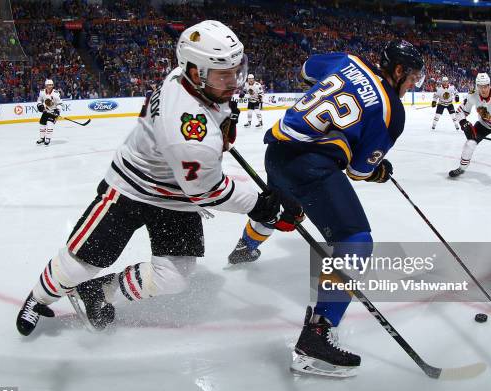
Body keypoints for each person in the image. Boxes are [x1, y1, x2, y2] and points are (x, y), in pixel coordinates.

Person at [16, 20, 302, 336]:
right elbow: (208, 191)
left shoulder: (186, 78)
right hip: (132, 188)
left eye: (236, 69)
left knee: (175, 275)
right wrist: (264, 206)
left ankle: (97, 292)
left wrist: (222, 128)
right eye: (225, 73)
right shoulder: (187, 128)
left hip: (176, 193)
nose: (235, 80)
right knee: (83, 260)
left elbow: (208, 147)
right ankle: (38, 297)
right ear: (196, 72)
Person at [228, 40, 424, 377]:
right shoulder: (392, 111)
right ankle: (314, 340)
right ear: (398, 71)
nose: (412, 85)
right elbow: (359, 170)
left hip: (276, 153)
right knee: (355, 240)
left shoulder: (349, 60)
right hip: (311, 168)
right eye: (412, 78)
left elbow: (307, 70)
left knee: (282, 208)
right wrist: (379, 172)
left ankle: (245, 248)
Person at [36, 79, 61, 146]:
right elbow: (39, 100)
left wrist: (57, 110)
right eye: (48, 85)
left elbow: (60, 103)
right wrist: (40, 105)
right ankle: (42, 138)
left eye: (51, 85)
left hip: (53, 112)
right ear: (46, 86)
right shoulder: (42, 92)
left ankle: (48, 139)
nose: (50, 86)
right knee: (42, 124)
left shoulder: (56, 93)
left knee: (50, 124)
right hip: (46, 111)